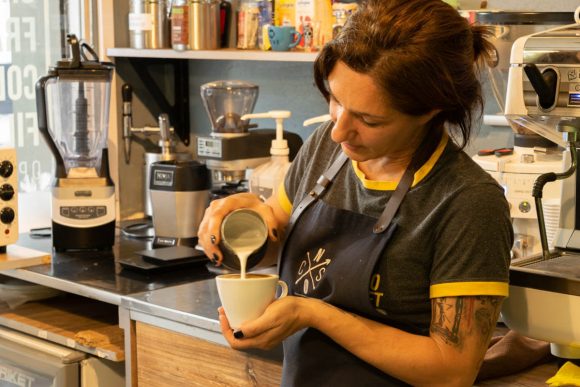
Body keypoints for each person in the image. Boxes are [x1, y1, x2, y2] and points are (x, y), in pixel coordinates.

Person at [198, 0, 513, 385]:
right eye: (335, 100)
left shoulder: (467, 202)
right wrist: (240, 219)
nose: (339, 130)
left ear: (431, 109)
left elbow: (451, 370)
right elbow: (276, 237)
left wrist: (314, 314)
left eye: (368, 119)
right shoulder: (326, 150)